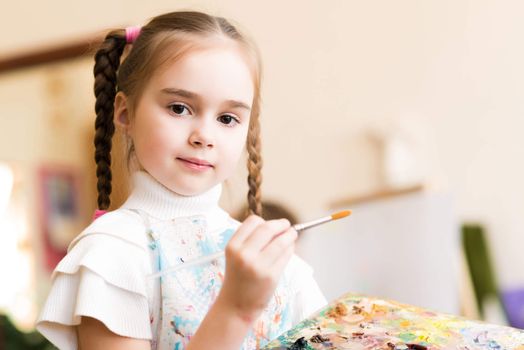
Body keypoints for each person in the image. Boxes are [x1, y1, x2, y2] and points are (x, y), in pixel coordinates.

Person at [36, 11, 327, 350]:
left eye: (228, 118)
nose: (204, 136)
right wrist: (236, 308)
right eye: (179, 108)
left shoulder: (274, 263)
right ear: (125, 112)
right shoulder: (111, 253)